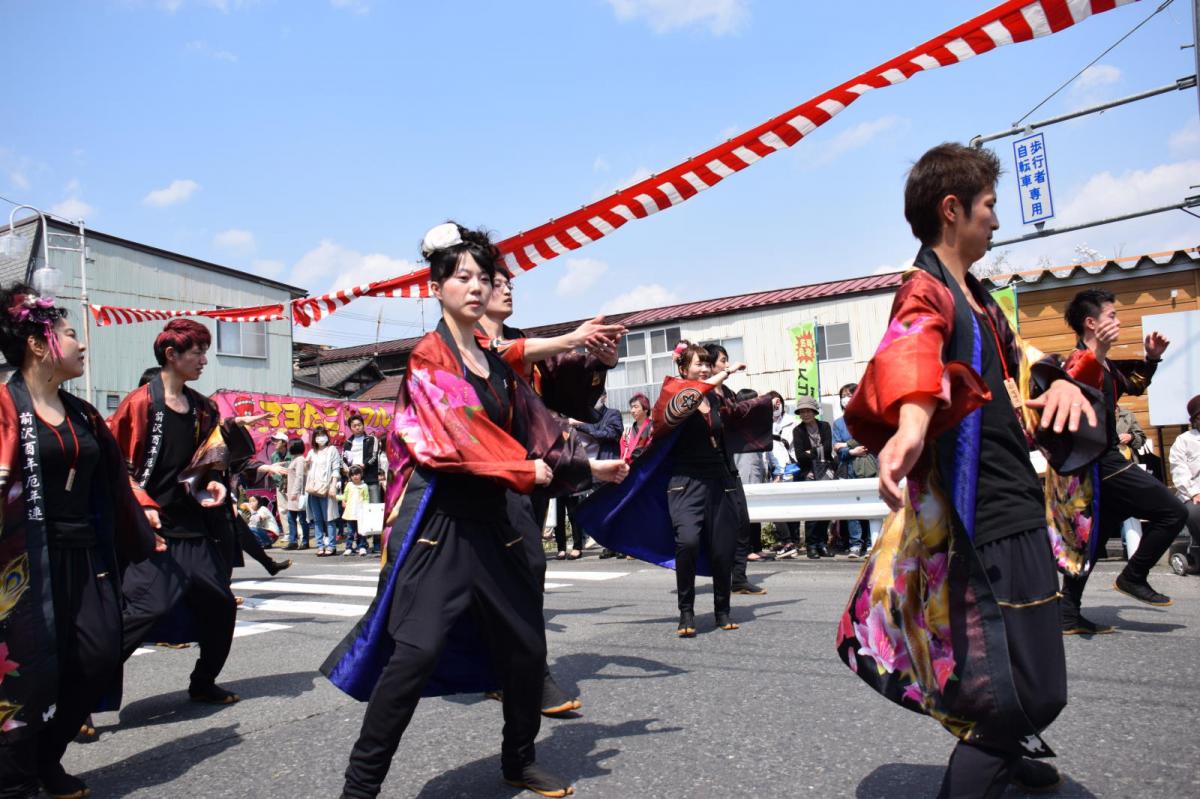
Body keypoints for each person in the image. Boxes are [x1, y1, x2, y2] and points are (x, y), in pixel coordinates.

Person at [321, 222, 626, 799]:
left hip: (498, 526)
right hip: (442, 527)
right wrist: (521, 470)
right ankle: (358, 790)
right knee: (414, 655)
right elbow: (451, 441)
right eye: (462, 277)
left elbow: (543, 431)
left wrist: (587, 468)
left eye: (484, 278)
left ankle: (518, 760)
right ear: (436, 287)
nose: (477, 286)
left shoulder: (497, 362)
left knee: (526, 649)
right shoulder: (428, 359)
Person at [836, 143, 1103, 798]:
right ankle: (995, 757)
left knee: (1018, 679)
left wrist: (1069, 380)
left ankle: (1006, 751)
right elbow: (912, 350)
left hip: (1015, 502)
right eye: (988, 206)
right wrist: (912, 424)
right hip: (983, 515)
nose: (996, 220)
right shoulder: (925, 290)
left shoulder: (978, 297)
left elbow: (1021, 371)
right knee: (1024, 689)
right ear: (952, 210)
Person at [0, 285, 158, 799]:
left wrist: (143, 526)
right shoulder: (4, 408)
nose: (82, 345)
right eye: (71, 334)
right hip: (20, 563)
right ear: (39, 344)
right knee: (25, 674)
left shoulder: (84, 413)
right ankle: (18, 777)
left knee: (97, 654)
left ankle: (48, 756)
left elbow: (114, 483)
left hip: (85, 554)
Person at [476, 257, 624, 717]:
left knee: (520, 573)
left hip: (530, 475)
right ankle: (522, 674)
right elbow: (497, 360)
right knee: (503, 575)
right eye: (496, 282)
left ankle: (512, 673)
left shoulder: (526, 345)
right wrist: (571, 337)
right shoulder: (466, 346)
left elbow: (564, 391)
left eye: (508, 282)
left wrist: (598, 363)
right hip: (483, 474)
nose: (507, 289)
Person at [578, 341, 772, 637]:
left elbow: (734, 418)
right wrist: (723, 375)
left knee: (722, 549)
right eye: (699, 364)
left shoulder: (716, 399)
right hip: (684, 482)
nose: (705, 368)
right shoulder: (673, 395)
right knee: (688, 543)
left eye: (708, 364)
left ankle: (723, 611)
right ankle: (686, 611)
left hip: (718, 481)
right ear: (682, 369)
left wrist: (765, 402)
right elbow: (687, 402)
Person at [109, 318, 242, 706]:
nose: (204, 359)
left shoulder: (204, 408)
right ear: (171, 355)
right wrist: (144, 508)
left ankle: (203, 682)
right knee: (141, 612)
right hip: (147, 527)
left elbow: (208, 463)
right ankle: (78, 699)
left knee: (220, 606)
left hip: (191, 525)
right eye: (197, 351)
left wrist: (213, 482)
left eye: (205, 350)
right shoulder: (138, 404)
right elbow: (116, 468)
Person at [1058, 288, 1187, 627]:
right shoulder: (1078, 360)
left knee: (1095, 539)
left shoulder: (1102, 363)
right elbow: (1074, 381)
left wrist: (1152, 358)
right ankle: (1134, 575)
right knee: (1174, 511)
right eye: (1111, 316)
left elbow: (1132, 385)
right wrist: (1098, 349)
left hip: (1100, 462)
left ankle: (1067, 613)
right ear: (1091, 323)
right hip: (1099, 461)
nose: (1118, 321)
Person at [730, 387, 769, 595]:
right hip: (734, 473)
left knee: (746, 520)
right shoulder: (736, 420)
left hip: (742, 473)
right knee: (738, 521)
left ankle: (739, 576)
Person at [831, 382, 875, 558]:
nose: (845, 399)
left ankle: (873, 543)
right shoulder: (838, 423)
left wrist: (846, 444)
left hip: (870, 467)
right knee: (853, 509)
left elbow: (871, 440)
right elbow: (836, 448)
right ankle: (855, 545)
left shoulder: (869, 418)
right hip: (848, 468)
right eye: (843, 395)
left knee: (872, 507)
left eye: (850, 394)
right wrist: (850, 450)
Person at [792, 396, 834, 559]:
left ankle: (822, 543)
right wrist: (819, 451)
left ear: (814, 411)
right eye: (802, 411)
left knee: (825, 509)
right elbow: (800, 456)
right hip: (809, 473)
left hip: (827, 472)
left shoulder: (825, 426)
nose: (805, 414)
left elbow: (829, 448)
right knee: (812, 510)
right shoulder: (798, 430)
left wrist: (812, 452)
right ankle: (811, 545)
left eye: (808, 410)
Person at [765, 391, 800, 558]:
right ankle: (789, 541)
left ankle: (790, 541)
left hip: (788, 468)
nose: (774, 408)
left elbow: (792, 447)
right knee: (777, 506)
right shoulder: (763, 423)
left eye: (775, 404)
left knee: (787, 506)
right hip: (771, 469)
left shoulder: (792, 422)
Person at [1168, 395, 1200, 574]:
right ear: (1195, 420)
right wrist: (1194, 493)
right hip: (1192, 493)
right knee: (1195, 512)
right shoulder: (1184, 440)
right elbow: (1179, 471)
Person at [305, 424, 343, 556]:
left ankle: (331, 546)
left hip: (326, 489)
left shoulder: (332, 450)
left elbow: (336, 469)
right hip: (313, 490)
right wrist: (307, 464)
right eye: (318, 435)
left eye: (323, 435)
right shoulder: (311, 452)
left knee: (330, 518)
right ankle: (320, 545)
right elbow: (307, 471)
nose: (320, 438)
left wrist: (333, 486)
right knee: (317, 519)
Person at [341, 414, 383, 504]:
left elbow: (374, 456)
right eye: (354, 426)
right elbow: (343, 460)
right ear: (350, 428)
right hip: (354, 481)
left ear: (363, 425)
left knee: (374, 507)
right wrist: (349, 470)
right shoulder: (347, 443)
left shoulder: (372, 439)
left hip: (370, 479)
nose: (357, 427)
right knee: (356, 509)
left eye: (359, 425)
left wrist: (364, 465)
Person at [283, 438, 310, 550]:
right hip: (292, 494)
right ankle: (293, 541)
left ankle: (304, 541)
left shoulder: (299, 459)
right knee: (291, 517)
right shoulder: (295, 459)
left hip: (297, 494)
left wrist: (295, 492)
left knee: (302, 519)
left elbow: (299, 477)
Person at [340, 465, 371, 557]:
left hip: (360, 513)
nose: (355, 476)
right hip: (350, 513)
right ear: (350, 476)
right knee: (350, 532)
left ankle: (362, 547)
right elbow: (344, 497)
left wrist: (366, 508)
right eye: (353, 475)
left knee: (361, 531)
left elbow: (366, 498)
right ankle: (348, 548)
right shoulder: (349, 485)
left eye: (357, 474)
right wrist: (335, 497)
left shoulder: (364, 486)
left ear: (361, 474)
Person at [269, 430, 290, 526]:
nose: (274, 443)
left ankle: (300, 532)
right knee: (282, 509)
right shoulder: (273, 456)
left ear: (284, 442)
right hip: (279, 485)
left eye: (277, 440)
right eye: (274, 440)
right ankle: (287, 533)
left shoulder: (292, 454)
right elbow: (272, 471)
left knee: (294, 508)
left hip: (291, 485)